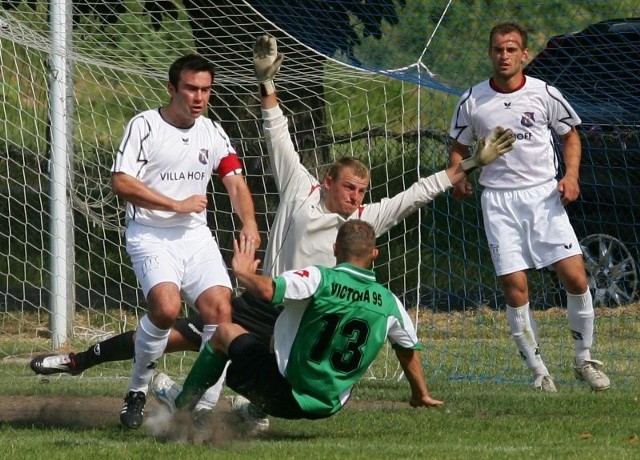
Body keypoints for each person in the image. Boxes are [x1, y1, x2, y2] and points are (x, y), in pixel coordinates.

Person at [31, 35, 513, 427]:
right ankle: (89, 365)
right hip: (265, 296)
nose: (357, 198)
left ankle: (214, 411)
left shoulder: (366, 220)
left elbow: (422, 190)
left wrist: (470, 162)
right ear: (328, 182)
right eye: (349, 188)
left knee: (226, 340)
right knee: (181, 329)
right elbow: (276, 131)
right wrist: (266, 83)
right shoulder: (301, 188)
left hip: (303, 312)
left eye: (363, 191)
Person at [448, 22, 610, 392]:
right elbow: (457, 151)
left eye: (512, 49)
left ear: (524, 54)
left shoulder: (544, 93)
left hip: (543, 197)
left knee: (576, 277)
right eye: (498, 49)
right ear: (490, 54)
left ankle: (584, 359)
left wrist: (571, 176)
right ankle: (540, 372)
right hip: (499, 202)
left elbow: (570, 136)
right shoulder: (472, 100)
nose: (504, 56)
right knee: (515, 286)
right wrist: (459, 178)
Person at [158, 220, 444, 422]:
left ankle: (180, 407)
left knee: (224, 333)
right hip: (328, 406)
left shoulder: (321, 278)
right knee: (283, 334)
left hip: (283, 393)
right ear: (374, 254)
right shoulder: (390, 302)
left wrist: (244, 273)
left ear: (335, 249)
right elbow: (408, 349)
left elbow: (270, 290)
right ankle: (252, 415)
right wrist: (421, 394)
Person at [110, 52, 260, 429]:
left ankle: (202, 405)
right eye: (191, 89)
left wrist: (250, 223)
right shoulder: (144, 126)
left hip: (194, 236)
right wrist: (175, 204)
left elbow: (235, 182)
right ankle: (138, 390)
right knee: (165, 309)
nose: (199, 98)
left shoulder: (212, 131)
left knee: (221, 311)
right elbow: (121, 182)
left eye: (206, 90)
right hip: (151, 234)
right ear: (172, 88)